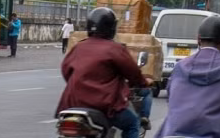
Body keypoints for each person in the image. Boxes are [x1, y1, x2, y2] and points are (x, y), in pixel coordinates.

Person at [56, 8, 152, 138]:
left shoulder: (78, 47)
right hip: (104, 105)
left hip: (73, 103)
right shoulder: (116, 49)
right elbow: (133, 73)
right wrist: (143, 82)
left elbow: (65, 70)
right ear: (111, 28)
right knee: (132, 123)